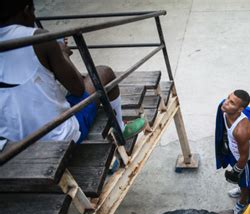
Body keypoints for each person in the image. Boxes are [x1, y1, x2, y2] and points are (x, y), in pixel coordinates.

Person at [0, 0, 144, 144]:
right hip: (59, 137)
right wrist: (62, 53)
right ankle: (120, 129)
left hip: (13, 144)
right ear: (26, 10)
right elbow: (78, 89)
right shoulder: (38, 38)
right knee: (104, 73)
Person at [215, 90, 250, 214]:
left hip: (244, 161)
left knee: (246, 182)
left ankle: (243, 201)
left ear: (240, 109)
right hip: (234, 153)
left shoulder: (241, 131)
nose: (226, 103)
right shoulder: (225, 111)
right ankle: (241, 189)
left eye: (232, 103)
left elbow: (244, 157)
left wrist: (236, 171)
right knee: (242, 182)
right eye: (228, 98)